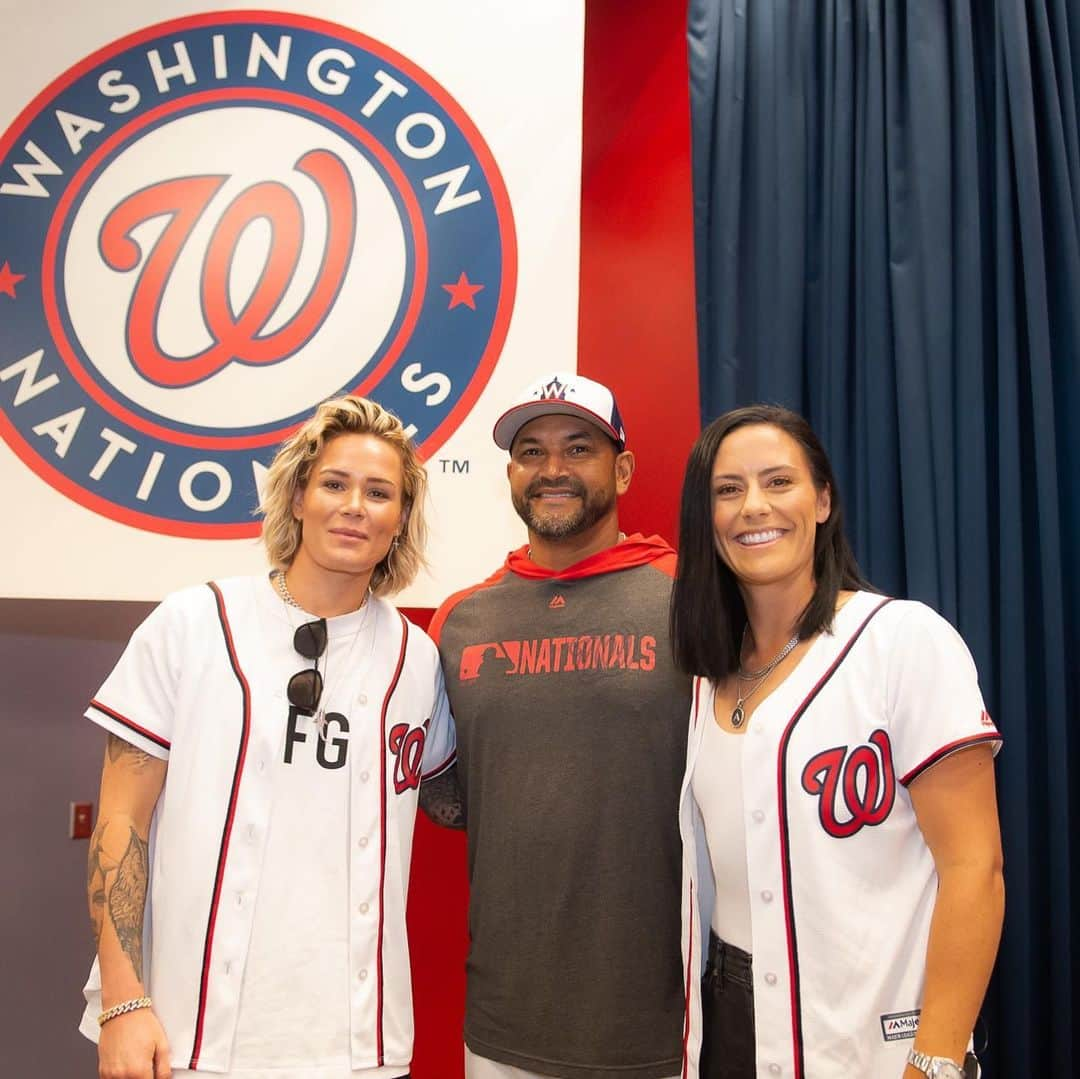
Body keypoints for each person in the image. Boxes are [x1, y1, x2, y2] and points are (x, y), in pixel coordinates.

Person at [80, 396, 456, 1079]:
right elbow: (120, 821)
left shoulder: (419, 659)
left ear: (400, 521)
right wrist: (121, 1001)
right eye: (335, 483)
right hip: (189, 1035)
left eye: (379, 492)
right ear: (297, 497)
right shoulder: (191, 622)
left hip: (362, 1044)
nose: (354, 506)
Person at [670, 404, 1005, 1079]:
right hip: (730, 1020)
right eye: (727, 490)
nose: (752, 507)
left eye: (778, 481)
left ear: (823, 500)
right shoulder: (708, 674)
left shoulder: (903, 640)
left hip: (872, 1028)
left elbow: (975, 868)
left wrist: (936, 1061)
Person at [426, 372, 692, 1079]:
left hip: (661, 1026)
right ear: (511, 473)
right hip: (503, 1023)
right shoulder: (459, 620)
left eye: (578, 447)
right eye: (530, 450)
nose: (552, 469)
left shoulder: (690, 600)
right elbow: (445, 796)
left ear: (623, 468)